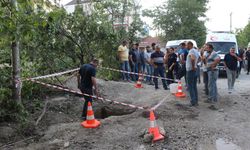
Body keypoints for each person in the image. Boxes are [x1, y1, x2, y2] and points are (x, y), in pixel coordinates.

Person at [205, 44, 221, 110]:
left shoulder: (214, 53)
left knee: (211, 85)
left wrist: (212, 66)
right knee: (213, 84)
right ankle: (214, 98)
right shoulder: (209, 53)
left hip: (213, 71)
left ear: (211, 48)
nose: (206, 49)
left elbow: (218, 59)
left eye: (207, 48)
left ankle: (211, 99)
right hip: (210, 70)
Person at [186, 41, 199, 106]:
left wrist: (193, 66)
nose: (186, 47)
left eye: (186, 45)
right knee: (194, 86)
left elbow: (193, 58)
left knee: (190, 87)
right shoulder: (196, 51)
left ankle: (193, 102)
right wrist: (196, 65)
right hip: (194, 70)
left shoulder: (191, 51)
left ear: (189, 45)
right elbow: (200, 58)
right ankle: (196, 101)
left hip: (191, 71)